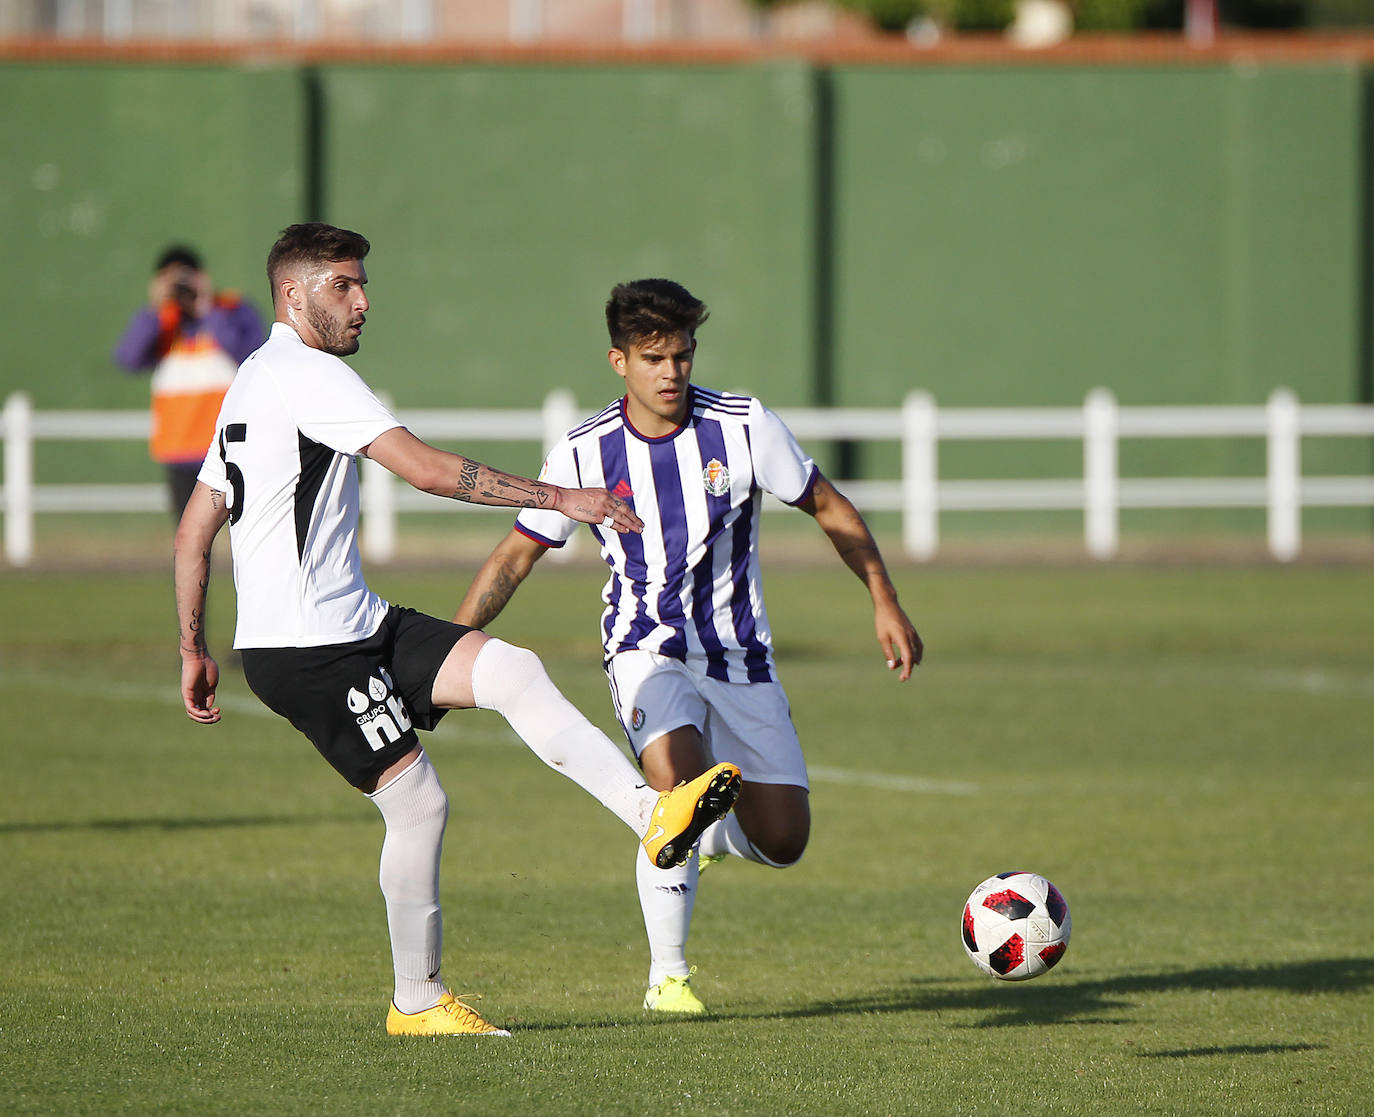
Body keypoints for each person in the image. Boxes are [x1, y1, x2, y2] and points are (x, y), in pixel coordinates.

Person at [172, 227, 741, 1038]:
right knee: (419, 803)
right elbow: (429, 470)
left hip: (353, 623)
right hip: (308, 649)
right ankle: (417, 1000)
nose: (363, 299)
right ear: (294, 296)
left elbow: (196, 529)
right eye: (342, 285)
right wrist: (563, 497)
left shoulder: (255, 378)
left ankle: (651, 813)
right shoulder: (308, 375)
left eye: (363, 283)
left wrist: (193, 646)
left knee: (511, 668)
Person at [454, 278, 923, 1014]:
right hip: (644, 649)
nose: (671, 372)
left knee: (785, 839)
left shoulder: (743, 427)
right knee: (674, 787)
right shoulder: (584, 449)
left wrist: (884, 598)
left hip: (740, 656)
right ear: (619, 362)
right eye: (653, 357)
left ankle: (705, 832)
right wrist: (457, 645)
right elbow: (517, 554)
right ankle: (668, 975)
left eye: (682, 354)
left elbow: (827, 503)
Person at [114, 244, 266, 518]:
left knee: (242, 529)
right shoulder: (163, 324)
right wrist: (155, 309)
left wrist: (207, 309)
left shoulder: (231, 310)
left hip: (228, 446)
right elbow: (128, 358)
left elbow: (251, 354)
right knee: (189, 538)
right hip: (180, 449)